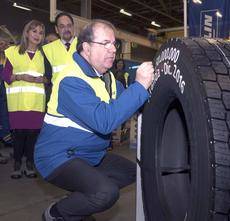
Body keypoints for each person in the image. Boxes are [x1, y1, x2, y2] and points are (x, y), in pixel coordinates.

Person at [35, 19, 154, 221]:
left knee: (131, 173)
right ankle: (56, 214)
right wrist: (140, 86)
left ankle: (79, 202)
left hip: (90, 155)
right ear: (86, 48)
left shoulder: (107, 79)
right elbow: (104, 121)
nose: (112, 49)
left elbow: (130, 103)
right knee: (105, 193)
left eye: (114, 44)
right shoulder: (71, 80)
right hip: (58, 157)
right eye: (105, 43)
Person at [1, 20, 47, 179]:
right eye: (34, 31)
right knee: (19, 135)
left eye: (40, 33)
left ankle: (29, 164)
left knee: (33, 135)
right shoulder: (13, 51)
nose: (37, 35)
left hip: (36, 103)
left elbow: (50, 77)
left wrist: (43, 80)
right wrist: (21, 76)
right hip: (18, 103)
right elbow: (6, 76)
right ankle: (17, 163)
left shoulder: (44, 55)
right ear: (27, 33)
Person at [42, 12, 78, 84]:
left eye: (69, 25)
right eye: (62, 26)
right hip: (58, 94)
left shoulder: (84, 46)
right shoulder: (48, 49)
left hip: (80, 93)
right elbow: (48, 77)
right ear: (56, 29)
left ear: (73, 27)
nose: (66, 29)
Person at [0, 38, 12, 164]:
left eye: (4, 43)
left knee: (5, 119)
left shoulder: (9, 59)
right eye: (0, 44)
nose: (2, 46)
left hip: (6, 97)